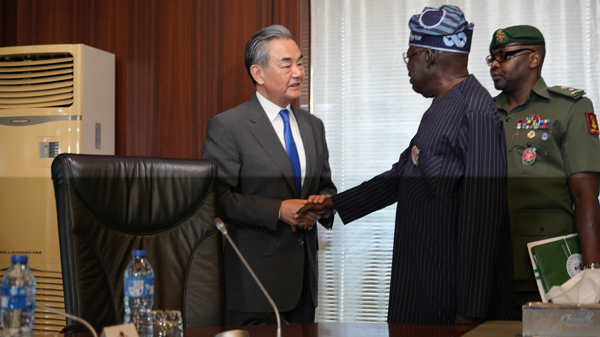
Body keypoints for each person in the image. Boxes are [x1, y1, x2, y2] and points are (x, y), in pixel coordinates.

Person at [297, 5, 514, 325]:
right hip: (422, 283)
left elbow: (484, 218)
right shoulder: (441, 106)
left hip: (452, 299)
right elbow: (403, 175)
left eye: (409, 56)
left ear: (428, 56)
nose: (408, 66)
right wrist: (333, 205)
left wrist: (471, 312)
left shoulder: (475, 110)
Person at [202, 25, 336, 326]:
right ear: (258, 74)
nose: (298, 72)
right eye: (286, 64)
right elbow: (216, 199)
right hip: (254, 284)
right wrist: (278, 210)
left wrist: (324, 201)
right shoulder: (228, 126)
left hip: (304, 285)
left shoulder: (313, 126)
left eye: (300, 62)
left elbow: (326, 184)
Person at [487, 25, 600, 314]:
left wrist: (592, 270)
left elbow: (585, 194)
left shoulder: (569, 108)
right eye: (491, 59)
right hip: (488, 266)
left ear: (534, 59)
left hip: (547, 265)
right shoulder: (484, 113)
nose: (495, 65)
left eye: (504, 55)